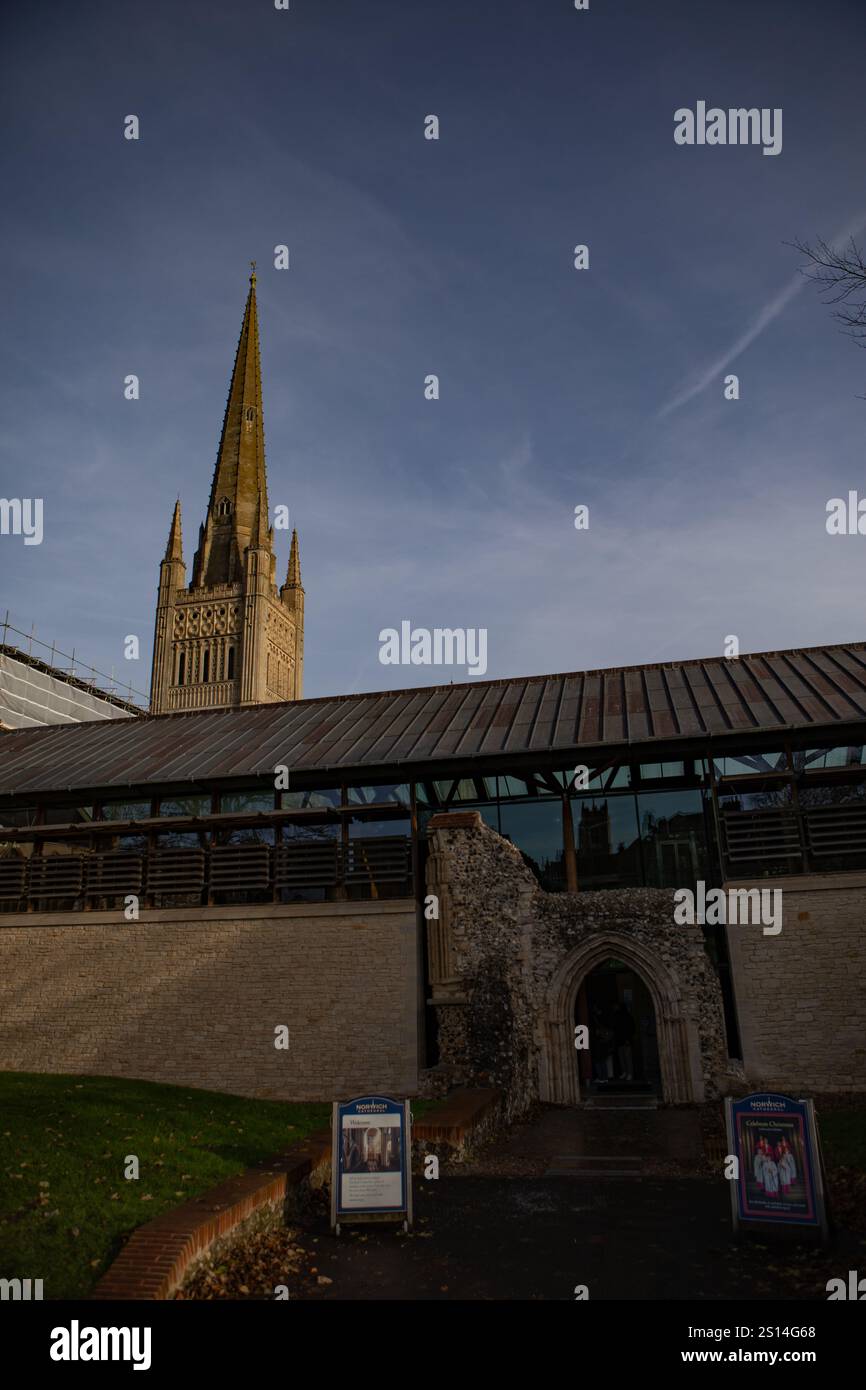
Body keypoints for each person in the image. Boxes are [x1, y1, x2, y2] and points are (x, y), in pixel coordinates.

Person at [613, 1002, 636, 1080]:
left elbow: (631, 1029)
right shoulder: (617, 1016)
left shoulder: (628, 1017)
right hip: (619, 1041)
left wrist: (628, 1039)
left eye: (616, 1006)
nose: (615, 1008)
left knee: (627, 1058)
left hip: (626, 1041)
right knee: (622, 1058)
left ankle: (630, 1073)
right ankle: (625, 1072)